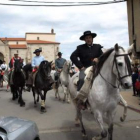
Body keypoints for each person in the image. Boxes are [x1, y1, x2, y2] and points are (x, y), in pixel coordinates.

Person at [70, 30, 103, 109]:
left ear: (92, 38)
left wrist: (98, 58)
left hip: (96, 68)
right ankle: (81, 100)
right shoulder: (80, 48)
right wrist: (80, 66)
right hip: (84, 69)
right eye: (87, 38)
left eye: (90, 37)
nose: (88, 39)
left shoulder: (98, 47)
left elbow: (103, 56)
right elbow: (72, 56)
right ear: (84, 40)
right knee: (81, 79)